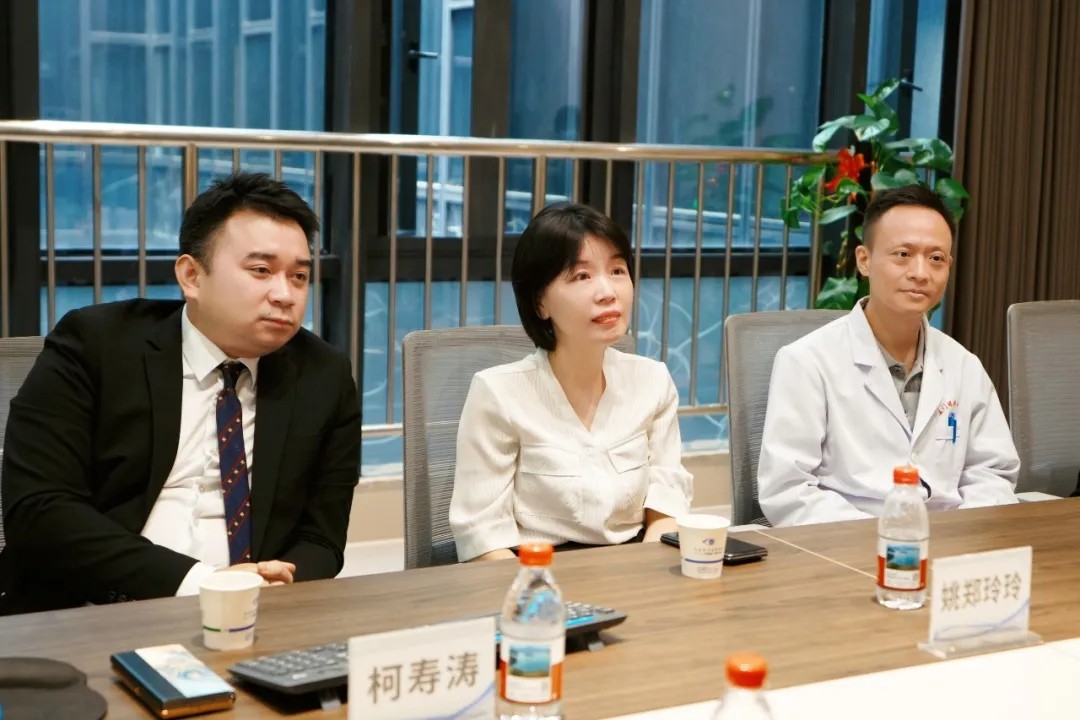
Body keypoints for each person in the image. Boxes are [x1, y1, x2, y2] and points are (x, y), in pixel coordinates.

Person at [0, 172, 361, 615]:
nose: (285, 295)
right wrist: (200, 584)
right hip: (89, 609)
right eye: (261, 271)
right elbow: (38, 511)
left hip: (249, 616)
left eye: (300, 276)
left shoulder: (324, 375)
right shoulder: (96, 345)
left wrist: (272, 586)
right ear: (192, 276)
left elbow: (322, 538)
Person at [757, 184, 1019, 527]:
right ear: (864, 260)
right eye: (903, 254)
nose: (920, 273)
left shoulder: (964, 366)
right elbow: (788, 489)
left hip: (949, 542)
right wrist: (885, 538)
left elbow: (993, 472)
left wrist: (952, 536)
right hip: (844, 544)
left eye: (936, 258)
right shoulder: (807, 362)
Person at [449, 203, 693, 562]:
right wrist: (541, 589)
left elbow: (666, 508)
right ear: (540, 303)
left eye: (617, 270)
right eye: (581, 276)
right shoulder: (498, 393)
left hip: (634, 566)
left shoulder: (652, 381)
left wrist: (643, 579)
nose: (607, 292)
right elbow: (482, 537)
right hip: (535, 573)